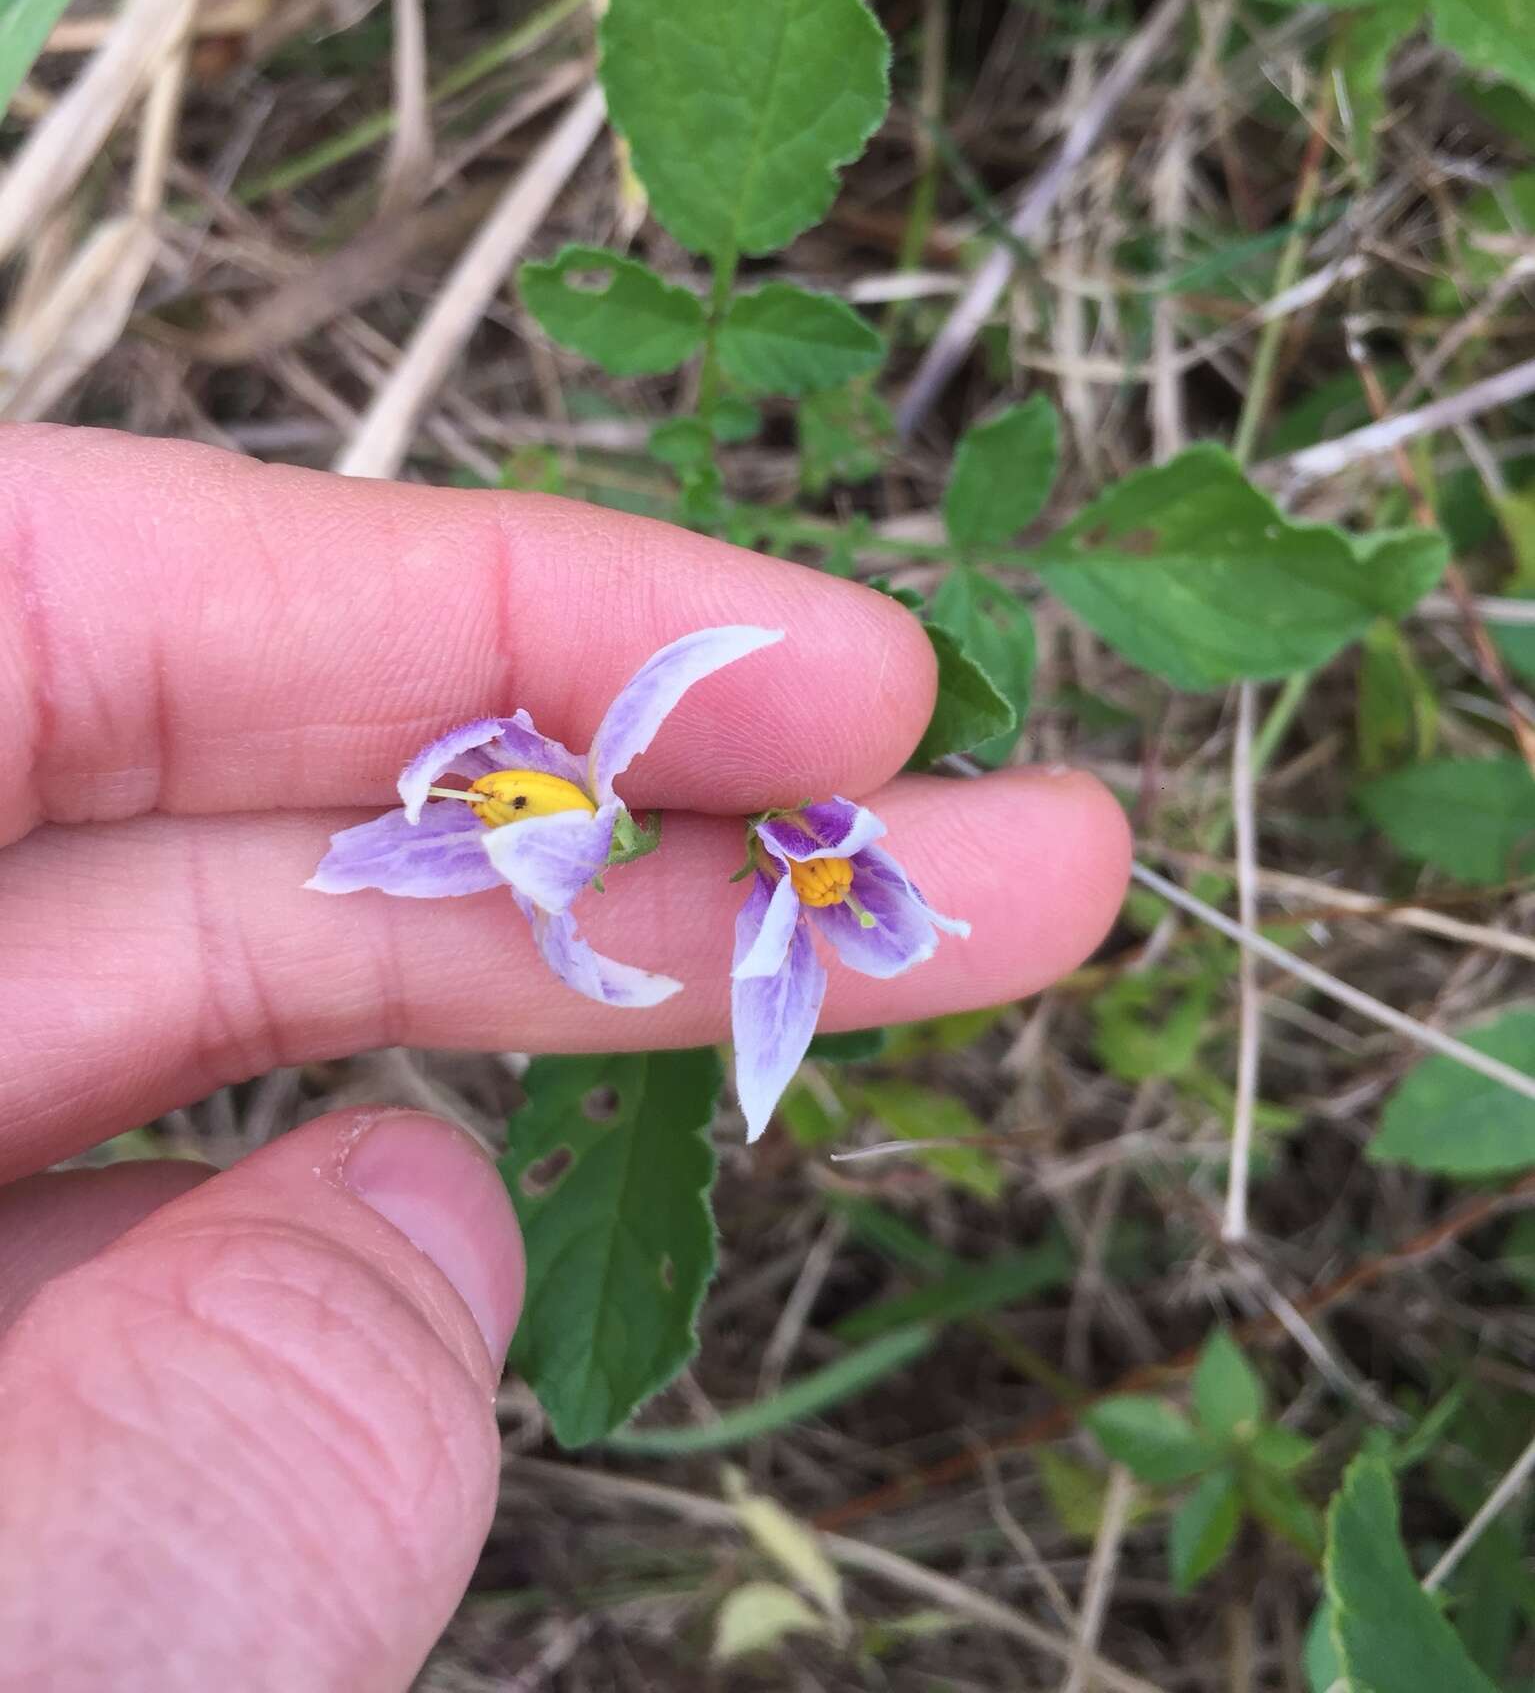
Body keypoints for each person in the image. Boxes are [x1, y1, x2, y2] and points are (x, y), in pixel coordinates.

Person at [0, 425, 1131, 1689]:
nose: (500, 796)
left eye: (512, 794)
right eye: (502, 797)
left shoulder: (736, 890)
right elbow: (529, 812)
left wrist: (723, 859)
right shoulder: (588, 824)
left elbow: (683, 762)